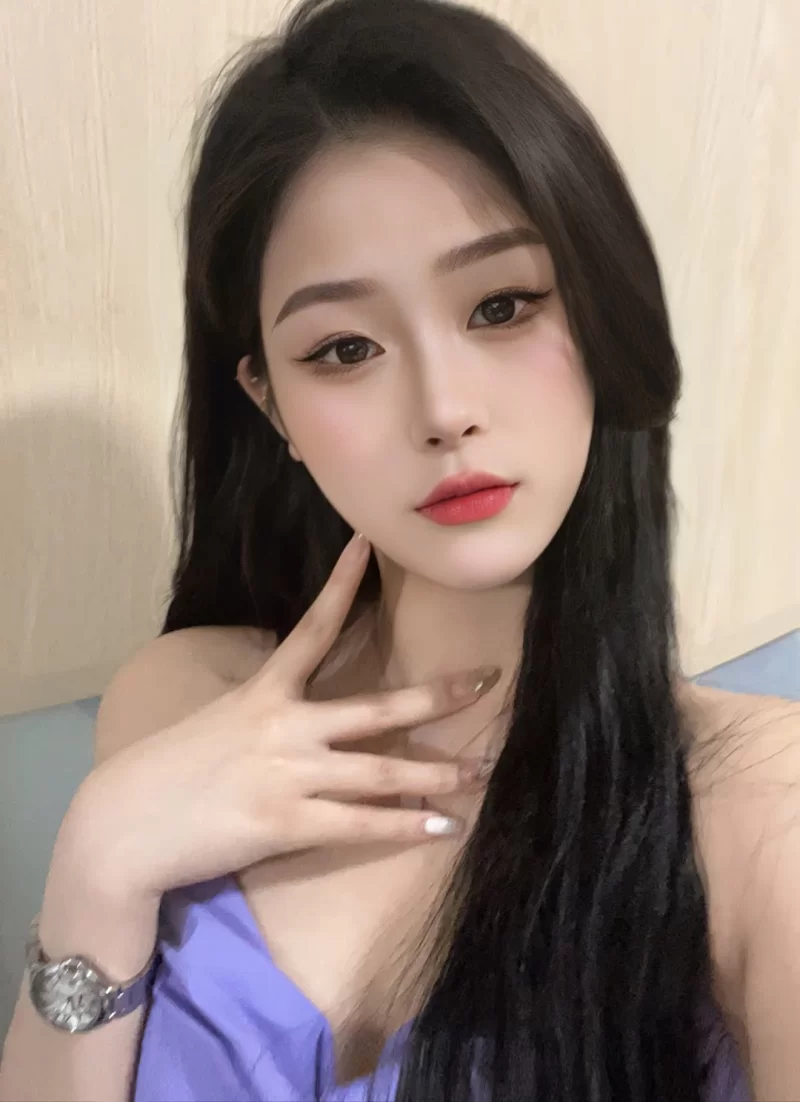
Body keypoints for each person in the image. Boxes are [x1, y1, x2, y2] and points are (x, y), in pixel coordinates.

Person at [2, 0, 799, 1098]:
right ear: (269, 403)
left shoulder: (759, 809)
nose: (442, 408)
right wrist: (97, 865)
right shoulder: (181, 703)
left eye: (501, 306)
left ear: (601, 314)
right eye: (344, 348)